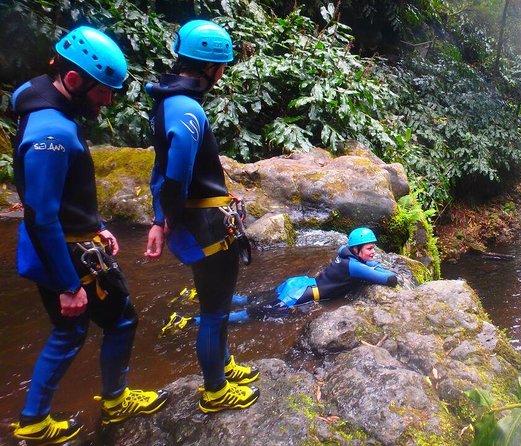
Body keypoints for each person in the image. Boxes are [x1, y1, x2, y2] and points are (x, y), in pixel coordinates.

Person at [10, 26, 168, 445]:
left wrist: (95, 225)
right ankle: (115, 400)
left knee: (70, 332)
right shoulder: (53, 134)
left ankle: (33, 419)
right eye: (104, 92)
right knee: (121, 320)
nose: (109, 101)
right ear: (75, 81)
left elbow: (58, 197)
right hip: (65, 252)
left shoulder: (38, 97)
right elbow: (42, 214)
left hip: (61, 242)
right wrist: (68, 285)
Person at [143, 19, 260, 414]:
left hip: (197, 220)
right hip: (206, 225)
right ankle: (214, 390)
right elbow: (174, 174)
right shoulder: (187, 110)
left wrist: (162, 219)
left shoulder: (167, 101)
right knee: (214, 310)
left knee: (217, 302)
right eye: (222, 66)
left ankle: (222, 363)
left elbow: (161, 172)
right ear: (211, 67)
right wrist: (168, 219)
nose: (222, 73)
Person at [161, 227, 398, 331]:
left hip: (298, 283)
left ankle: (194, 295)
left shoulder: (344, 253)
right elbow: (389, 279)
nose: (373, 253)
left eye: (373, 248)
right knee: (249, 315)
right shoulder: (356, 268)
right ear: (356, 250)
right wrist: (377, 267)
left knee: (245, 299)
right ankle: (187, 322)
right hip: (300, 295)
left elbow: (356, 258)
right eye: (369, 249)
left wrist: (370, 260)